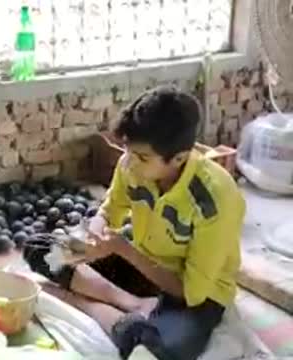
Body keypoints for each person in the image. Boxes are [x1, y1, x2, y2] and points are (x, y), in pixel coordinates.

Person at [24, 85, 245, 360]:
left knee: (153, 350)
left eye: (141, 157)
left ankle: (86, 305)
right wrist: (92, 241)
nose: (128, 163)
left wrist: (122, 249)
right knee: (41, 249)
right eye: (127, 150)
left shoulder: (216, 198)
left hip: (191, 295)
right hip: (139, 268)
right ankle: (131, 303)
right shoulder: (132, 166)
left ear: (178, 158)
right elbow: (109, 211)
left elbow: (189, 291)